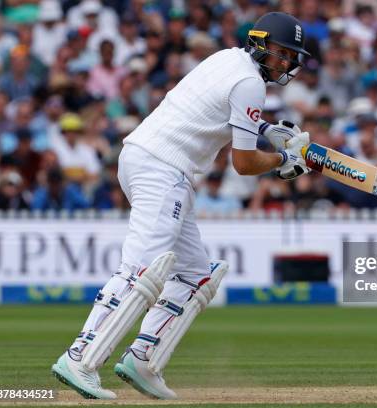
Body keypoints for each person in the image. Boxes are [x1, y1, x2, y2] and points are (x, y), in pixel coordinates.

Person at [50, 12, 312, 400]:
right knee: (140, 269)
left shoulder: (226, 58)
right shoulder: (250, 83)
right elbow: (243, 164)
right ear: (259, 43)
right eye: (279, 52)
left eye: (291, 57)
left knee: (195, 274)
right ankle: (80, 358)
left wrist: (266, 131)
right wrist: (284, 162)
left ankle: (143, 358)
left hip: (147, 159)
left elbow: (210, 110)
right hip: (163, 169)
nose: (285, 63)